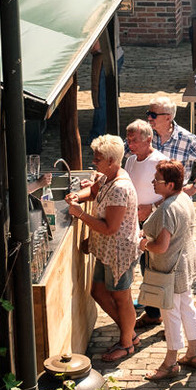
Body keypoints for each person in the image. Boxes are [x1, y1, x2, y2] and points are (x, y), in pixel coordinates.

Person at [65, 134, 141, 362]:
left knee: (122, 298)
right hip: (107, 250)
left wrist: (81, 214)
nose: (94, 162)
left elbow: (109, 228)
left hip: (119, 253)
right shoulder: (108, 176)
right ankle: (130, 333)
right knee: (98, 291)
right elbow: (96, 192)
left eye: (98, 159)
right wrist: (77, 196)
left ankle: (127, 344)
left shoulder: (120, 188)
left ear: (111, 161)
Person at [139, 160, 196, 379]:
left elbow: (162, 246)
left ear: (170, 184)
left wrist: (144, 244)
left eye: (157, 180)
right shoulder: (184, 197)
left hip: (170, 270)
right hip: (185, 264)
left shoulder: (168, 208)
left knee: (171, 314)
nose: (153, 183)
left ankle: (170, 363)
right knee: (187, 307)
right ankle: (193, 353)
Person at [124, 118, 167, 331]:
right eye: (129, 140)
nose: (130, 144)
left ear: (148, 139)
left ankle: (157, 312)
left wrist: (150, 208)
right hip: (134, 221)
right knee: (142, 266)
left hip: (154, 221)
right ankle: (151, 309)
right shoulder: (130, 160)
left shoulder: (160, 161)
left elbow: (172, 193)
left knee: (152, 267)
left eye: (134, 140)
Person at [144, 94, 196, 195]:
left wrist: (195, 187)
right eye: (148, 113)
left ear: (167, 118)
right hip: (149, 197)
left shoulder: (186, 139)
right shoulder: (145, 134)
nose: (149, 118)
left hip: (175, 199)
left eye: (153, 115)